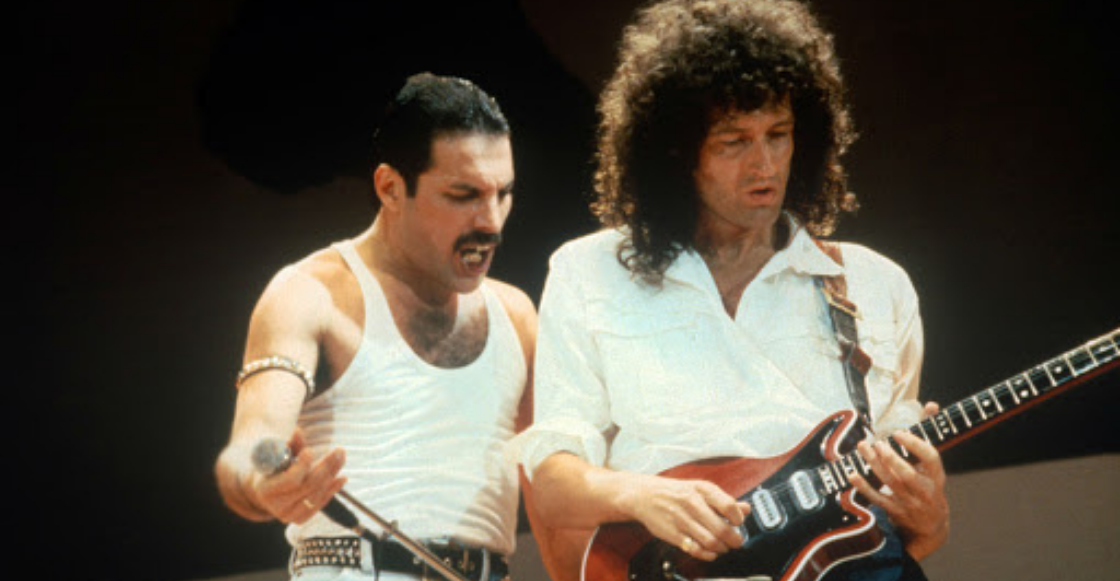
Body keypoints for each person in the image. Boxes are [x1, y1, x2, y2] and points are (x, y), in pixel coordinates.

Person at [518, 1, 949, 580]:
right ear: (676, 150)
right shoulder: (589, 271)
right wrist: (642, 495)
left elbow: (897, 517)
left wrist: (929, 516)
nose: (763, 164)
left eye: (779, 135)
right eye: (733, 141)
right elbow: (551, 484)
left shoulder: (877, 284)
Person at [215, 73, 536, 581]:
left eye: (504, 194)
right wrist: (263, 478)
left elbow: (555, 488)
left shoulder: (516, 315)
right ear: (390, 187)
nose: (491, 222)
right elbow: (251, 445)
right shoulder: (310, 294)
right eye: (463, 195)